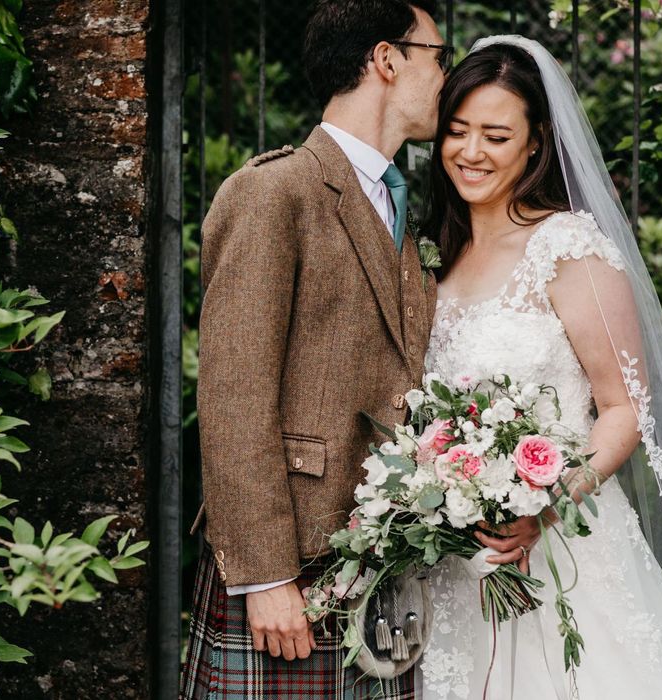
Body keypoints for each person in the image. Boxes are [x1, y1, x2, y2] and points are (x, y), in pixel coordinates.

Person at [419, 37, 662, 699]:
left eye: (496, 135)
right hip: (453, 566)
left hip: (561, 547)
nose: (471, 152)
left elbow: (624, 409)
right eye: (457, 131)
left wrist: (544, 503)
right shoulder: (434, 257)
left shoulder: (566, 245)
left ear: (536, 143)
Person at [179, 1, 451, 698]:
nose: (446, 77)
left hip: (381, 563)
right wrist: (265, 576)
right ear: (388, 59)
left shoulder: (400, 204)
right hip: (289, 564)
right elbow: (234, 394)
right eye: (439, 57)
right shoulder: (274, 192)